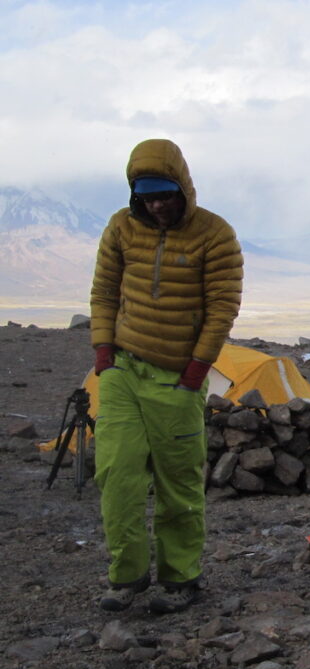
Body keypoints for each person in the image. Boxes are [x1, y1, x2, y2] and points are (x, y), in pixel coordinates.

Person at [90, 138, 243, 613]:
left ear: (183, 188)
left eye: (164, 195)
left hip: (178, 381)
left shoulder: (214, 235)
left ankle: (181, 581)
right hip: (122, 375)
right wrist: (103, 359)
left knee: (179, 486)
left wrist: (194, 375)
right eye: (147, 196)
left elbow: (222, 310)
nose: (156, 206)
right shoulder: (121, 227)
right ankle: (127, 578)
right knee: (117, 477)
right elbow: (103, 292)